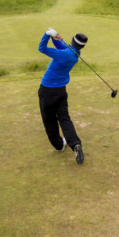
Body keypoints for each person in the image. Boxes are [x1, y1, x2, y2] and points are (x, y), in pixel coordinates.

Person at [38, 28, 88, 164]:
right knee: (64, 118)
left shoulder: (66, 53)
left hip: (47, 91)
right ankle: (75, 143)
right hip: (61, 91)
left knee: (49, 120)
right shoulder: (75, 54)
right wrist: (56, 38)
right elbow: (63, 48)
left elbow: (41, 48)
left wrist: (47, 35)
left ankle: (59, 145)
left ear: (72, 41)